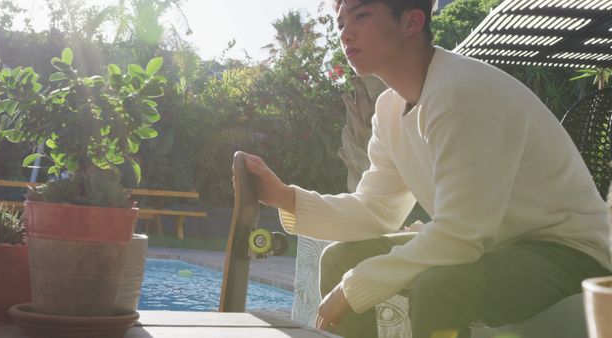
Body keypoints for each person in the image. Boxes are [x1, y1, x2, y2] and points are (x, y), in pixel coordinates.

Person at [243, 0, 612, 337]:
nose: (346, 33)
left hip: (567, 252)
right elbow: (376, 209)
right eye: (340, 22)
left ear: (412, 22)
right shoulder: (389, 110)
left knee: (439, 288)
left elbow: (462, 235)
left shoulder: (460, 95)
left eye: (361, 15)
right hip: (497, 245)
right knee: (340, 258)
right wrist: (285, 198)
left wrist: (355, 287)